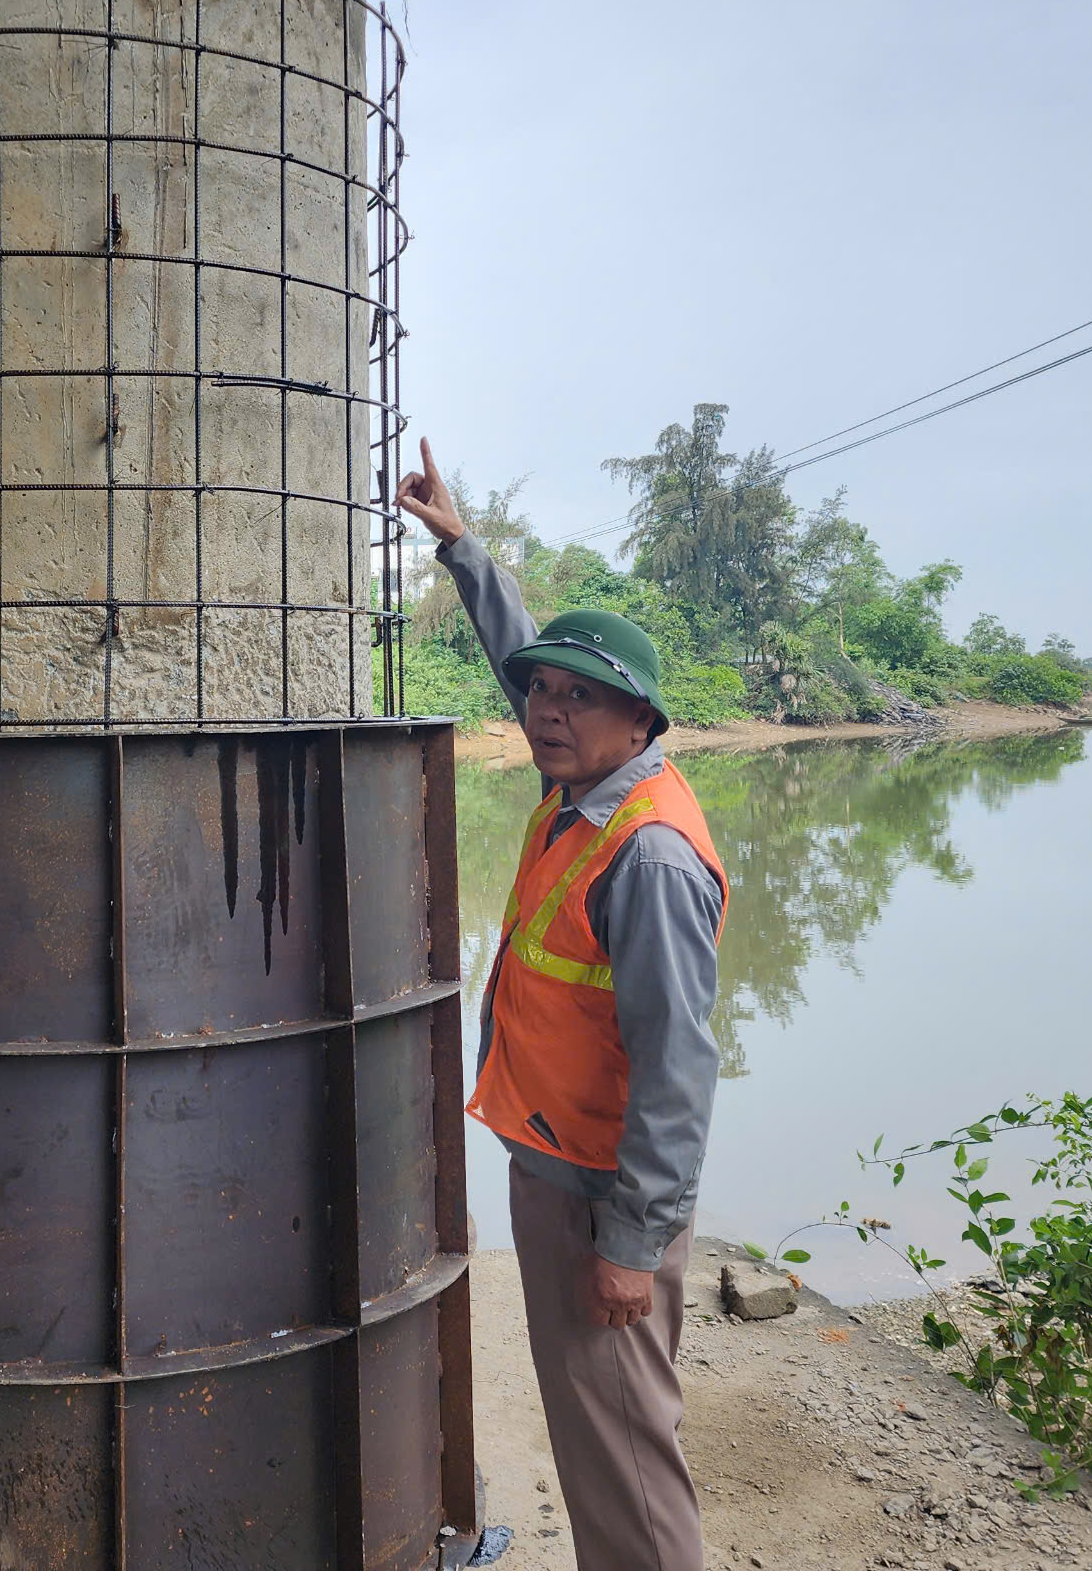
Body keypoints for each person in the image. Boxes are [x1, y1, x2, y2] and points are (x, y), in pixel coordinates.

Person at [397, 438, 726, 1571]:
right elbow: (516, 660)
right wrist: (463, 550)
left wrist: (631, 1244)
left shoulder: (648, 857)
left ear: (639, 723)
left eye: (578, 699)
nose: (546, 711)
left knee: (624, 1457)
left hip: (600, 1192)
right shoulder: (579, 781)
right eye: (542, 691)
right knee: (598, 1441)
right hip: (557, 1166)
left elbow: (681, 1067)